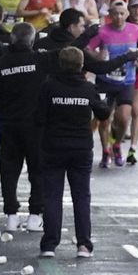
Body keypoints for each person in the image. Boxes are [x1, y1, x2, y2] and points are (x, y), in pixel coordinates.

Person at [35, 46, 110, 258]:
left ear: (60, 63)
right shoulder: (88, 89)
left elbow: (38, 117)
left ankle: (49, 244)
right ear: (81, 65)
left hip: (53, 147)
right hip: (81, 148)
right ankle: (84, 244)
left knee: (52, 196)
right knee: (81, 196)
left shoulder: (49, 87)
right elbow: (103, 114)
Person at [0, 22, 45, 232]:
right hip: (35, 125)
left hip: (10, 123)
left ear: (11, 39)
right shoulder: (40, 61)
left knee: (9, 169)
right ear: (32, 40)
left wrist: (4, 108)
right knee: (38, 170)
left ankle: (11, 214)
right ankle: (35, 215)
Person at [86, 0, 138, 170]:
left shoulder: (134, 29)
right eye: (115, 14)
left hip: (126, 81)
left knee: (123, 118)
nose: (119, 17)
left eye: (122, 13)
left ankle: (117, 144)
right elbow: (88, 47)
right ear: (110, 15)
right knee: (104, 119)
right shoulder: (103, 31)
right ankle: (106, 151)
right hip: (105, 81)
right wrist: (98, 56)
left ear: (127, 14)